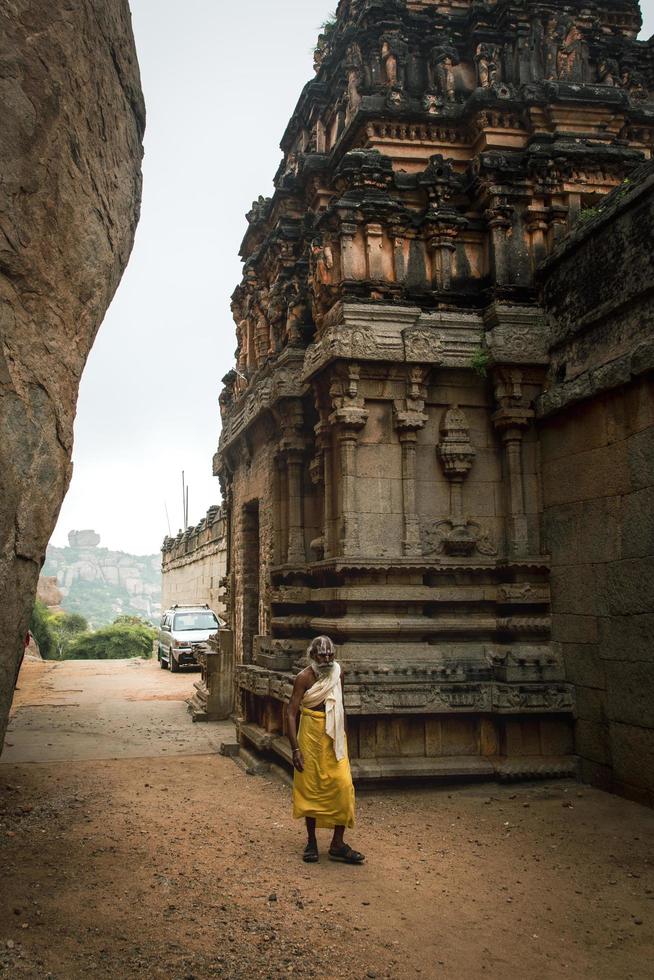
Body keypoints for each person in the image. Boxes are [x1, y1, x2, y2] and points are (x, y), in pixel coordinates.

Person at [287, 635, 364, 864]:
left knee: (343, 785)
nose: (327, 659)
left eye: (331, 655)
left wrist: (345, 738)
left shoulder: (338, 673)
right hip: (310, 734)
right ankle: (311, 841)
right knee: (311, 788)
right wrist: (295, 749)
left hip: (334, 737)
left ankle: (338, 843)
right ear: (313, 656)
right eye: (322, 655)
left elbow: (341, 706)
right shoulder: (303, 678)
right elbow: (290, 713)